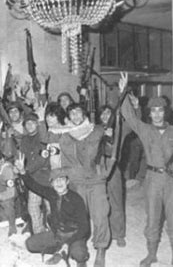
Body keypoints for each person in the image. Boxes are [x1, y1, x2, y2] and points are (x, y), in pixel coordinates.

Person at [119, 72, 173, 267]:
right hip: (152, 179)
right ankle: (151, 254)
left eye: (160, 110)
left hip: (172, 181)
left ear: (165, 112)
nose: (157, 114)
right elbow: (129, 116)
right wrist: (123, 91)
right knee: (152, 219)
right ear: (149, 113)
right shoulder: (145, 129)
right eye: (153, 111)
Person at [14, 155, 89, 267]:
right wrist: (23, 171)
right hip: (57, 234)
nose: (59, 183)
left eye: (62, 179)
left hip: (73, 235)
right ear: (52, 184)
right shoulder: (51, 193)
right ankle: (59, 250)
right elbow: (34, 186)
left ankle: (72, 253)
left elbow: (85, 227)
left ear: (67, 181)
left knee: (79, 254)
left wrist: (68, 243)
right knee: (30, 245)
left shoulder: (76, 199)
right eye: (55, 181)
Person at [58, 103, 109, 267]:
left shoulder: (98, 130)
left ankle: (101, 249)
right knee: (79, 218)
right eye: (72, 113)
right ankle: (81, 252)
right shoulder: (65, 136)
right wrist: (65, 184)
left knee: (100, 215)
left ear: (85, 114)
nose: (75, 116)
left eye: (78, 112)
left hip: (96, 180)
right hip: (77, 181)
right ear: (68, 117)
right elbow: (64, 163)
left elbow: (118, 134)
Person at [98, 105, 126, 247]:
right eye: (102, 114)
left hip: (113, 167)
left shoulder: (119, 129)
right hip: (98, 167)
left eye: (108, 113)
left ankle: (119, 234)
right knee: (101, 203)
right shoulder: (96, 130)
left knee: (116, 201)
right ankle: (103, 234)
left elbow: (133, 125)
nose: (105, 116)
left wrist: (112, 135)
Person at [20, 112, 51, 234]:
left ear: (37, 124)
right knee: (33, 207)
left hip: (46, 176)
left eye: (32, 123)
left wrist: (25, 171)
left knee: (50, 207)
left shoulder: (43, 136)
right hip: (33, 178)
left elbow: (43, 159)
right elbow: (22, 157)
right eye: (27, 123)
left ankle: (53, 231)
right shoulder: (24, 140)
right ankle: (39, 232)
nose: (29, 126)